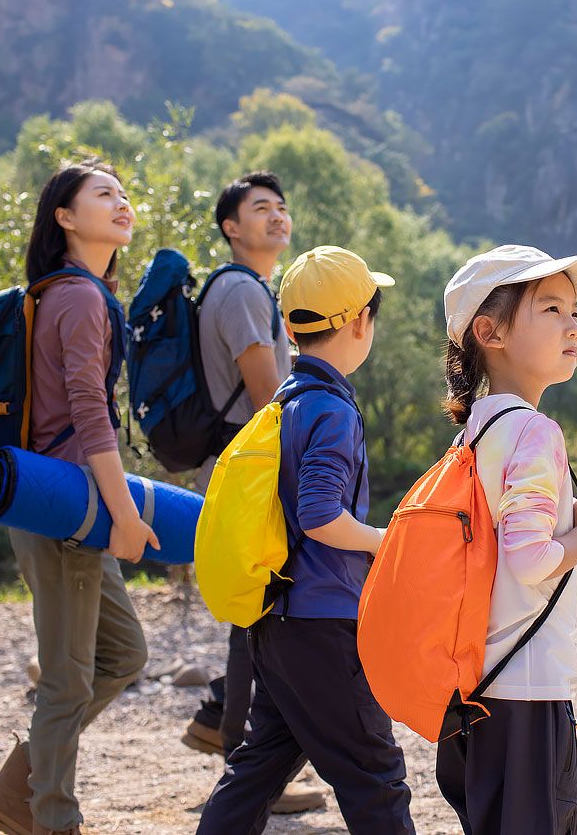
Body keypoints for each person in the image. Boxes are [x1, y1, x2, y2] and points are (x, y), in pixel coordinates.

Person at [0, 160, 152, 835]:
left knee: (122, 653)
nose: (121, 202)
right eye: (103, 194)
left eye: (124, 193)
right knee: (67, 679)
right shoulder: (77, 297)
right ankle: (51, 820)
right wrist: (124, 513)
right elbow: (89, 415)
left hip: (61, 500)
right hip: (69, 505)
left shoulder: (72, 293)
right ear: (65, 217)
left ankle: (14, 791)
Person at [196, 245, 414, 835]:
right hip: (323, 623)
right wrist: (379, 541)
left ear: (290, 327)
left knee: (261, 764)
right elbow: (320, 515)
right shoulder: (332, 410)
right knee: (376, 775)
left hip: (277, 621)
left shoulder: (284, 402)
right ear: (359, 322)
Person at [435, 244, 577, 834]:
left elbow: (501, 535)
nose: (572, 325)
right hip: (525, 686)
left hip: (477, 685)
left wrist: (564, 513)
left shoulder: (481, 428)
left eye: (574, 312)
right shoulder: (534, 432)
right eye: (550, 309)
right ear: (489, 332)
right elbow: (530, 561)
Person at [178, 170, 324, 814]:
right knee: (257, 610)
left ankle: (231, 732)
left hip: (245, 464)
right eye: (260, 208)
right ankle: (247, 762)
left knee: (258, 608)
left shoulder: (256, 290)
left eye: (282, 207)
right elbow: (271, 400)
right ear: (231, 227)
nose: (276, 216)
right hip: (253, 467)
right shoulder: (239, 291)